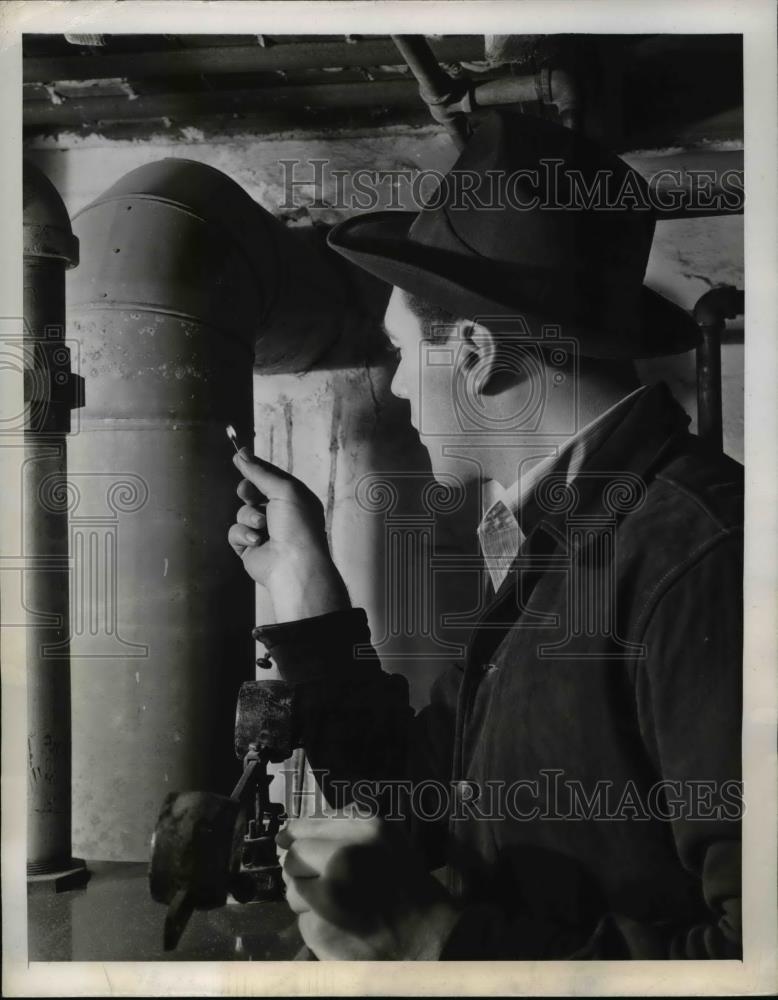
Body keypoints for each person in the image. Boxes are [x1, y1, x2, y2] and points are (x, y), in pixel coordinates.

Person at [227, 111, 743, 960]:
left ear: (474, 351)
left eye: (399, 353)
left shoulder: (702, 559)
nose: (395, 389)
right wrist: (306, 596)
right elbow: (415, 797)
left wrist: (436, 942)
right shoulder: (562, 542)